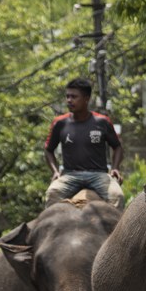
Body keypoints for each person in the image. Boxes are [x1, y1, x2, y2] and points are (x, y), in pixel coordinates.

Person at [44, 77, 125, 208]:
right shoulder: (59, 123)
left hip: (99, 175)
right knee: (51, 194)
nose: (69, 100)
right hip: (70, 175)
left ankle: (120, 229)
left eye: (74, 97)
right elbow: (48, 149)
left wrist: (115, 167)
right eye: (67, 96)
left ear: (86, 99)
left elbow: (117, 147)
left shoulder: (102, 122)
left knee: (118, 196)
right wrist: (55, 171)